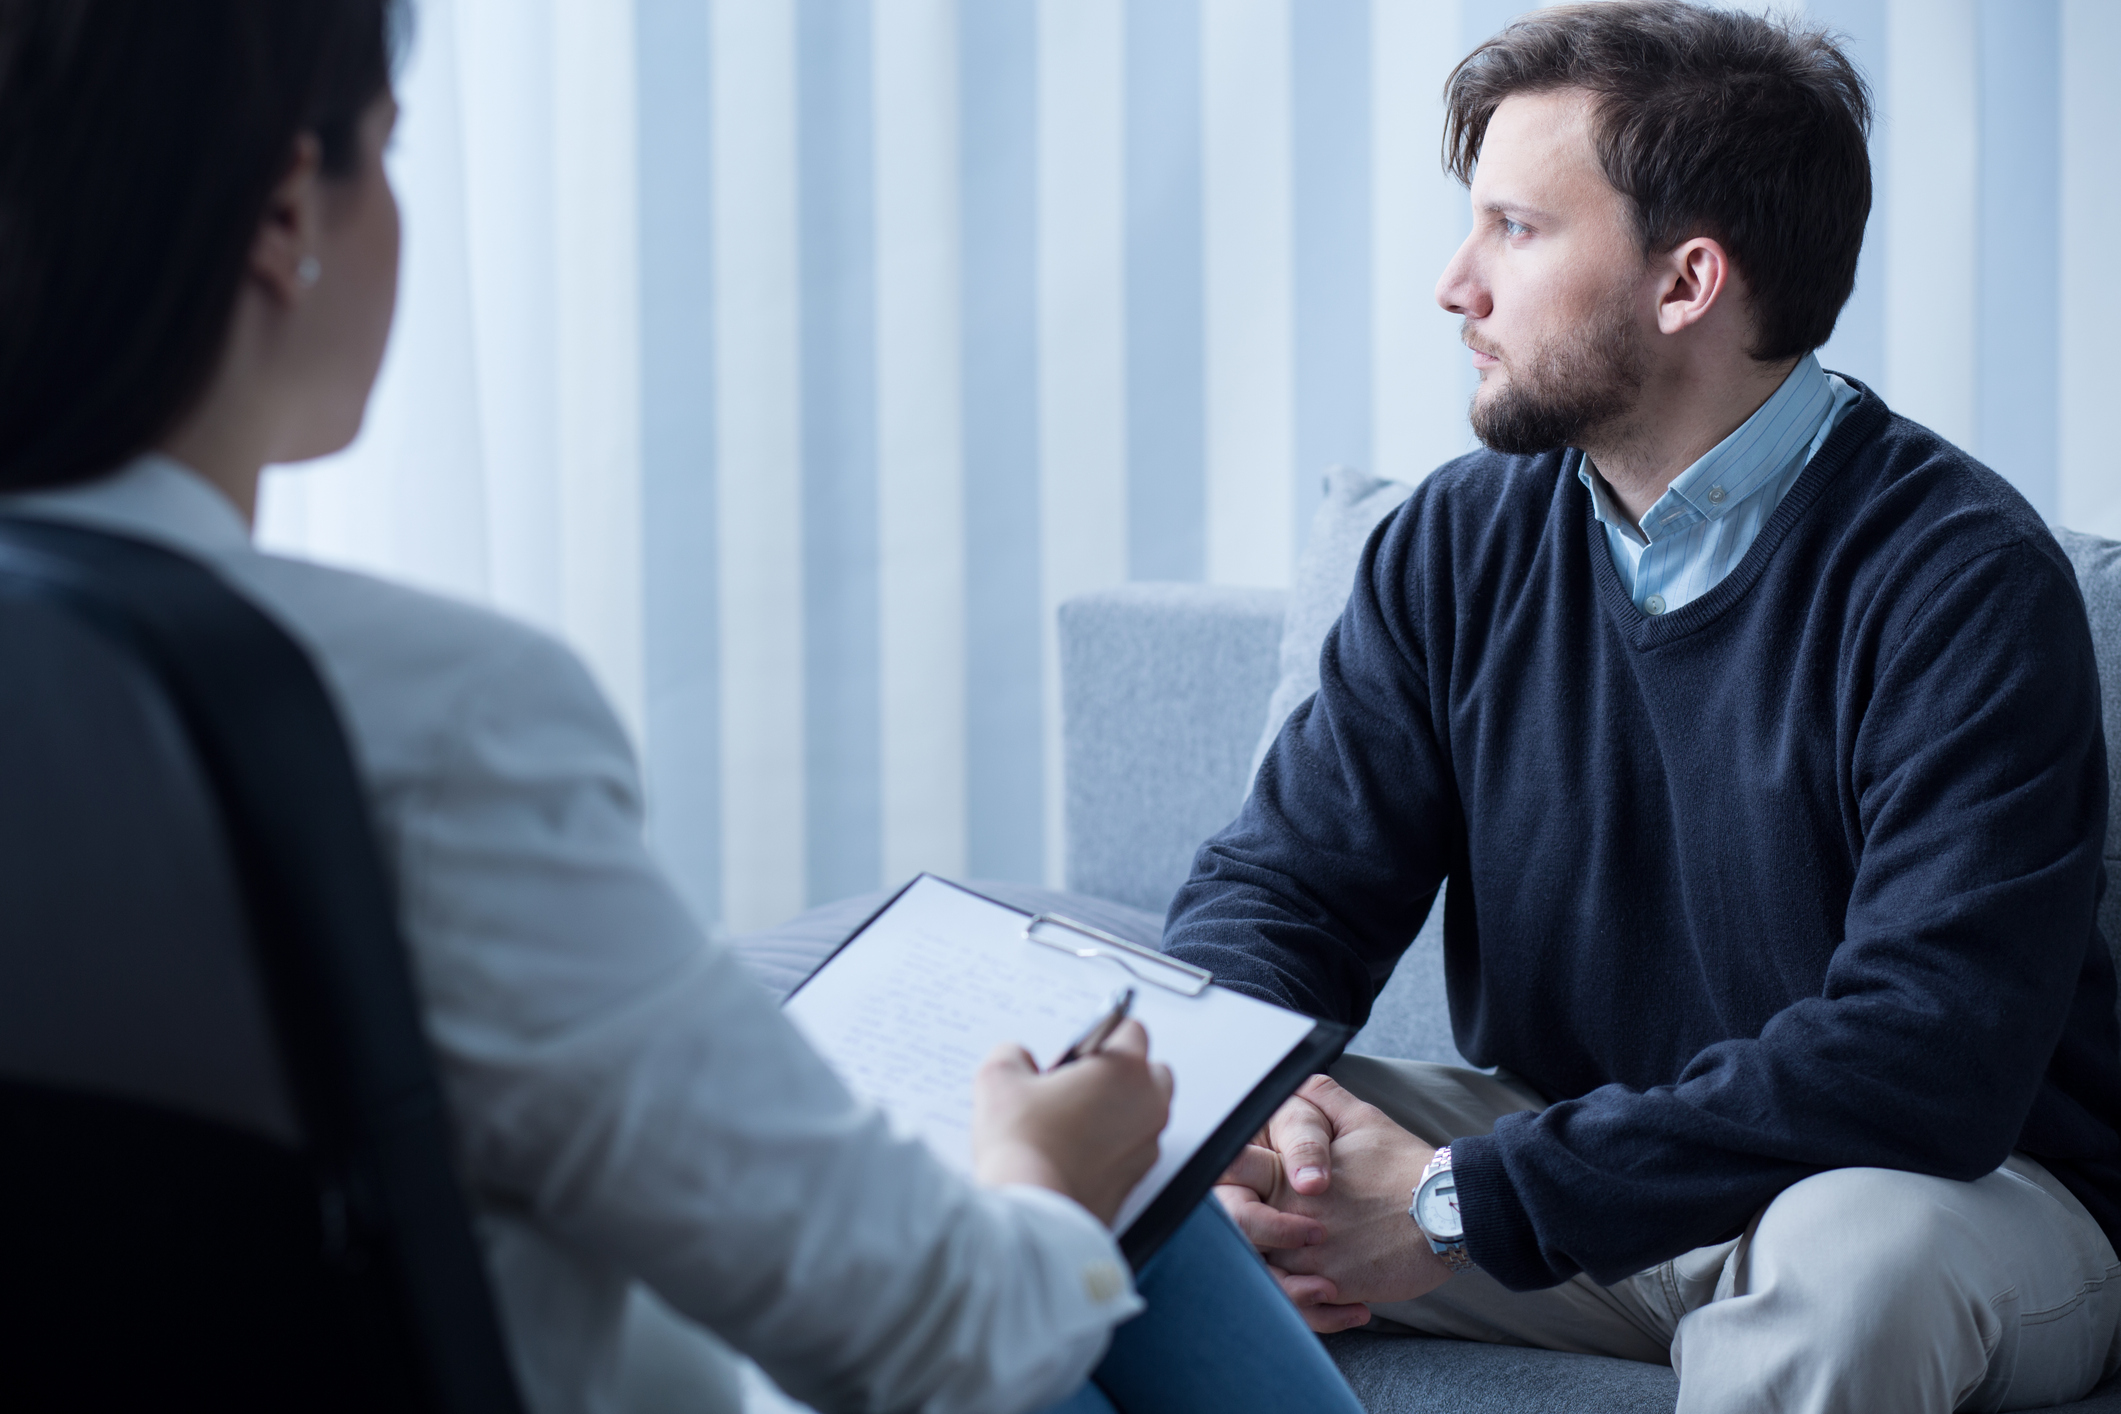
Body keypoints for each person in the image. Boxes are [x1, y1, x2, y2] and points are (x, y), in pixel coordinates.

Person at [0, 4, 1367, 1413]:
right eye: (391, 156)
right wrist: (1046, 1178)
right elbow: (927, 1339)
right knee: (1105, 1222)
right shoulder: (426, 714)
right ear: (291, 211)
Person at [1165, 4, 2121, 1411]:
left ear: (1685, 283)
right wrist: (1236, 1105)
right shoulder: (1453, 542)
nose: (1453, 284)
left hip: (1935, 1190)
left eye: (1515, 230)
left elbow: (1929, 1055)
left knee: (1853, 1263)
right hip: (1573, 1165)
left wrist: (1454, 1205)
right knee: (1117, 1143)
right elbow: (1284, 892)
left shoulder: (1957, 577)